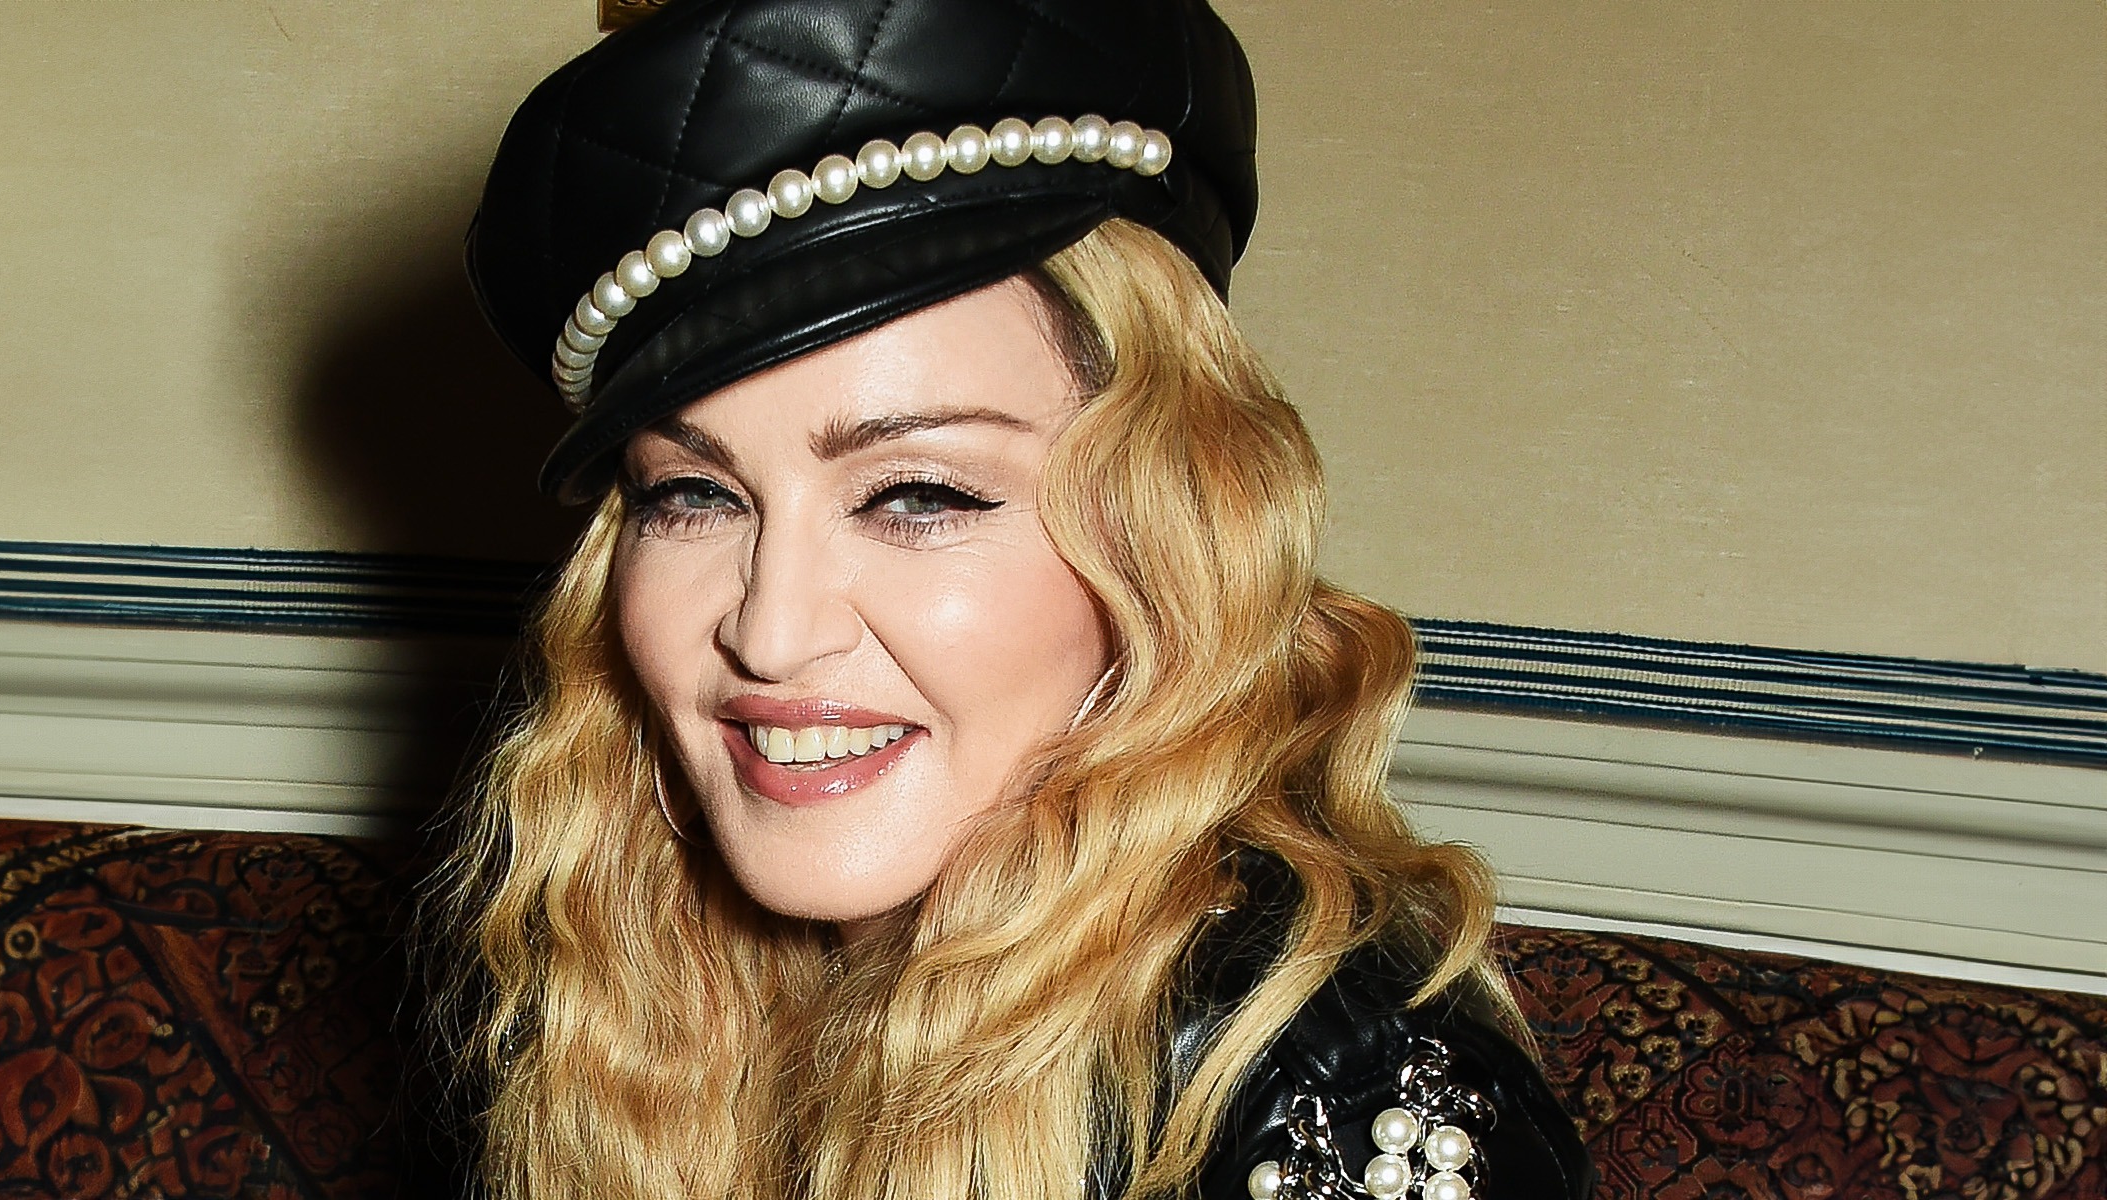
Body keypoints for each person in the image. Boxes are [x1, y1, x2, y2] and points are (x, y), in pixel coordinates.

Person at [434, 1, 1595, 1197]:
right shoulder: (631, 994)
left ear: (1166, 539)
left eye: (918, 495)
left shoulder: (1331, 1112)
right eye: (693, 494)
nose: (770, 634)